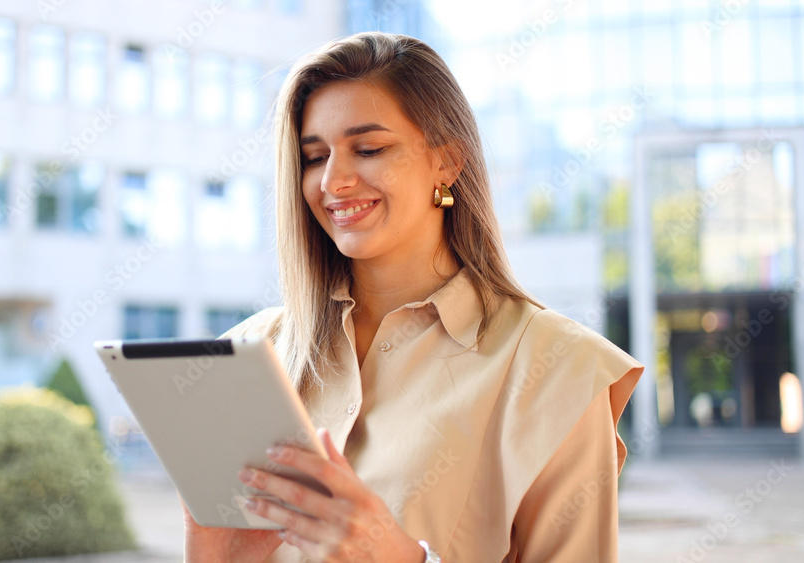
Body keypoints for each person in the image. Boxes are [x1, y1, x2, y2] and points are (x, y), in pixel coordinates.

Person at [182, 31, 643, 562]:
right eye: (314, 157)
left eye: (369, 149)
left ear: (447, 163)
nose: (334, 180)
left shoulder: (559, 367)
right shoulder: (248, 353)